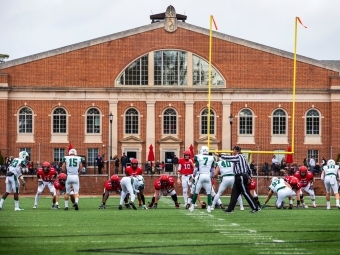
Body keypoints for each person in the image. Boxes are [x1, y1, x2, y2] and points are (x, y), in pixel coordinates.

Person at [220, 146, 260, 213]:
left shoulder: (238, 157)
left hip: (241, 176)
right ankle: (230, 209)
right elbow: (248, 168)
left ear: (236, 151)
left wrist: (220, 155)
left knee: (245, 192)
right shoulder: (243, 157)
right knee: (234, 193)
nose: (233, 152)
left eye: (233, 150)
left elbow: (228, 158)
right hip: (239, 176)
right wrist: (250, 177)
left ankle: (255, 207)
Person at [188, 146, 215, 213]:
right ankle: (209, 207)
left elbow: (196, 168)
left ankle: (193, 206)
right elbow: (212, 169)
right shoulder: (212, 158)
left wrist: (194, 176)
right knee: (209, 193)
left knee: (196, 192)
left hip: (201, 175)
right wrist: (211, 176)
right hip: (208, 175)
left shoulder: (198, 157)